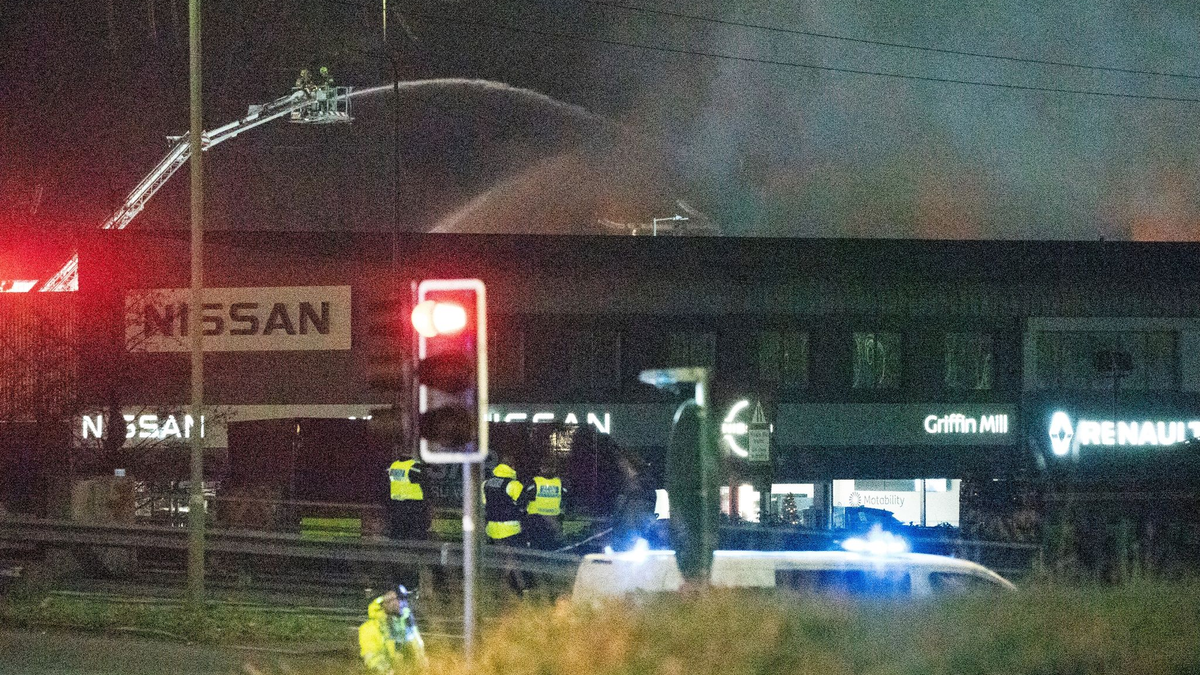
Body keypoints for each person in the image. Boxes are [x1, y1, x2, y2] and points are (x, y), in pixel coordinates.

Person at [483, 454, 531, 591]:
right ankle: (515, 586)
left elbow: (484, 504)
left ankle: (499, 585)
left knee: (501, 559)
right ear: (512, 467)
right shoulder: (513, 484)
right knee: (515, 559)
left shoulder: (486, 483)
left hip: (492, 529)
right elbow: (523, 505)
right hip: (511, 529)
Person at [359, 586, 427, 674]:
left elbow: (418, 649)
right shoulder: (369, 628)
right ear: (384, 603)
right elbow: (371, 657)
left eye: (402, 599)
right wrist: (388, 671)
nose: (401, 603)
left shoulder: (407, 623)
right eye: (397, 599)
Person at [386, 456, 431, 541]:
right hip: (414, 505)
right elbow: (425, 484)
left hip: (396, 503)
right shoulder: (414, 466)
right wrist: (428, 500)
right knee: (416, 534)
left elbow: (387, 484)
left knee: (398, 532)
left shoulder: (394, 465)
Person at [523, 471, 564, 550]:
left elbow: (525, 496)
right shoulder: (559, 483)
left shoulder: (535, 482)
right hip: (553, 520)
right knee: (551, 547)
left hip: (536, 519)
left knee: (536, 547)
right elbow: (566, 497)